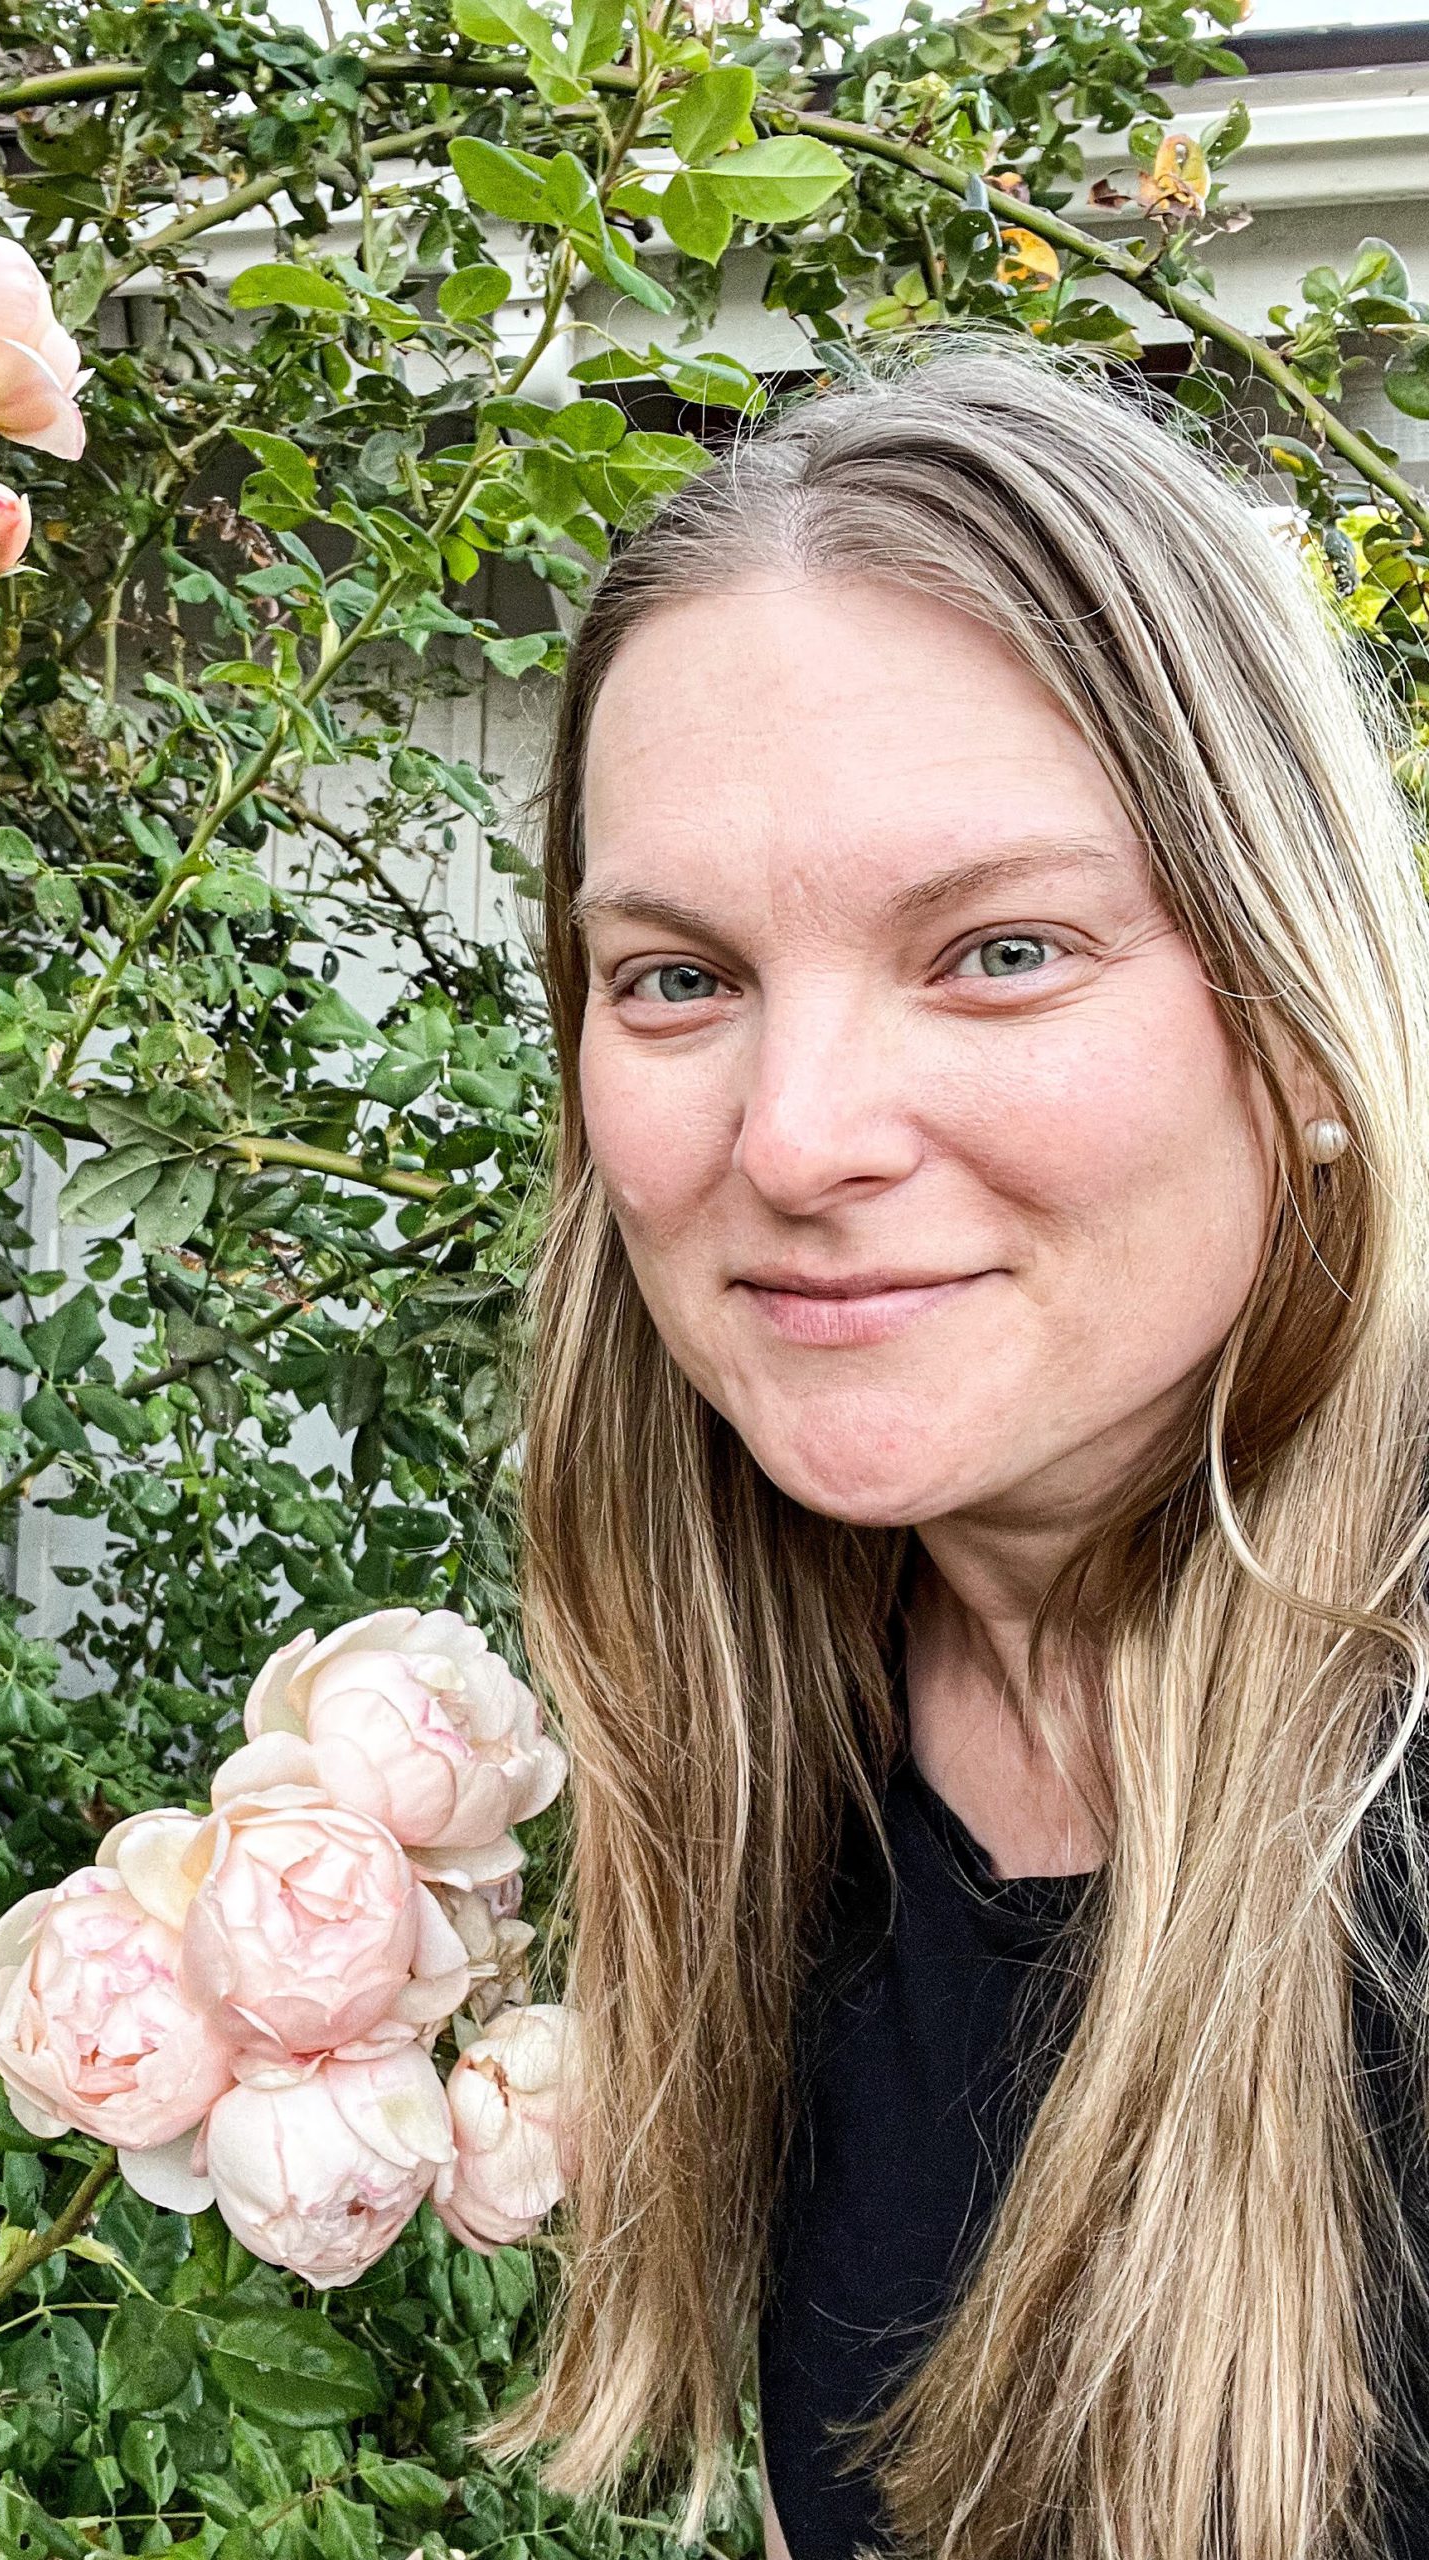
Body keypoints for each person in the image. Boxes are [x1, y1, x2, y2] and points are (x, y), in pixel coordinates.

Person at [464, 329, 1429, 2560]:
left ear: (1294, 1013)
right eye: (678, 976)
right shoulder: (765, 1714)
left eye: (997, 950)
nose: (793, 1138)